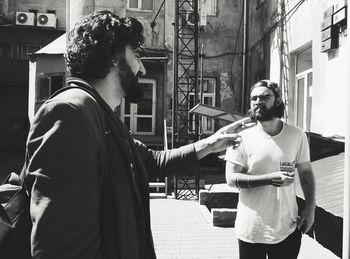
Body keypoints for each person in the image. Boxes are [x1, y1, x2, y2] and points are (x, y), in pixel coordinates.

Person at [24, 10, 253, 259]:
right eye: (137, 55)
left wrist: (210, 143)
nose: (142, 68)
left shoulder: (101, 114)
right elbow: (62, 248)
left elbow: (150, 162)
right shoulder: (70, 113)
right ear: (113, 56)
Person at [225, 79, 316, 259]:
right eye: (254, 98)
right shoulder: (241, 137)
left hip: (287, 228)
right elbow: (231, 179)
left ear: (278, 100)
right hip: (251, 230)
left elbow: (305, 172)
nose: (258, 101)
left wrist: (310, 208)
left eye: (265, 97)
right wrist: (269, 178)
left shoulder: (297, 135)